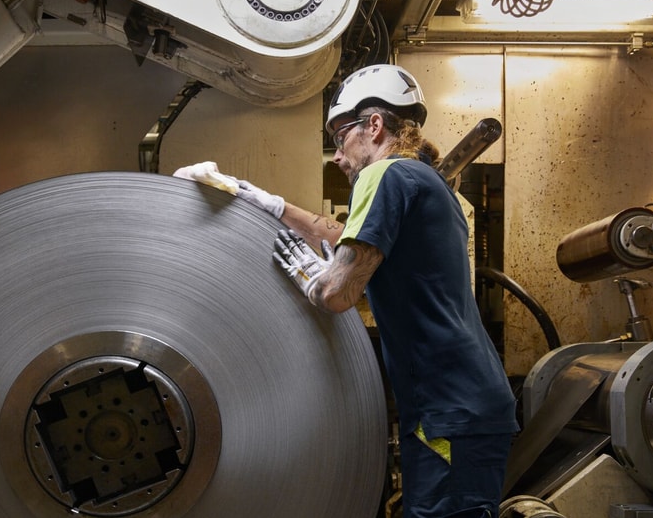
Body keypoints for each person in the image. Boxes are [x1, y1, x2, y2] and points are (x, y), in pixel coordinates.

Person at [174, 63, 518, 518]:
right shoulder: (423, 180)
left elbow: (336, 294)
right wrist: (260, 201)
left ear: (374, 125)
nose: (337, 155)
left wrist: (311, 278)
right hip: (459, 404)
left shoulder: (386, 175)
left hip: (448, 409)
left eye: (340, 136)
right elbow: (341, 234)